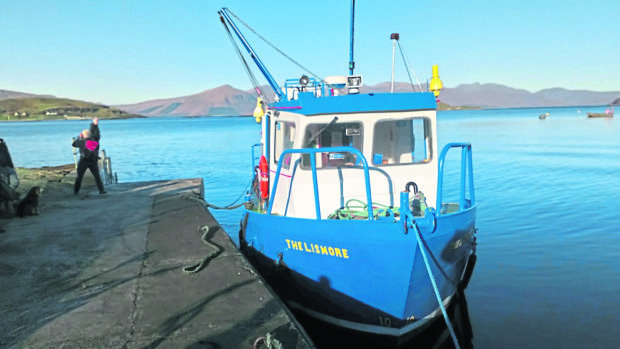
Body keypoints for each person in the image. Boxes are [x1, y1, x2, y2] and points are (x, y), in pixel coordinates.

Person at [72, 118, 106, 195]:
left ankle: (76, 191)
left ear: (83, 135)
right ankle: (101, 190)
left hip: (84, 161)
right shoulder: (95, 141)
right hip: (93, 161)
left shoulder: (82, 142)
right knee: (97, 177)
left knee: (79, 177)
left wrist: (79, 137)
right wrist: (94, 125)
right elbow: (97, 133)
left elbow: (74, 144)